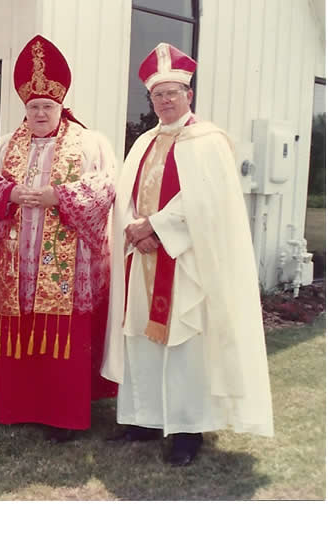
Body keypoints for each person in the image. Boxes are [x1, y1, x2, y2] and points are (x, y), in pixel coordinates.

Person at [102, 43, 274, 466]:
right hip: (143, 256)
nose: (164, 101)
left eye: (172, 93)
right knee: (140, 337)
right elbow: (125, 195)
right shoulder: (144, 142)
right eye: (157, 95)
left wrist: (154, 227)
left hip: (186, 260)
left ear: (188, 95)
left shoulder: (208, 141)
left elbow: (205, 200)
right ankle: (143, 419)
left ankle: (186, 430)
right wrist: (134, 229)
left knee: (183, 344)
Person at [0, 35, 118, 442]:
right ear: (24, 108)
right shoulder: (5, 145)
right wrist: (10, 193)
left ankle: (63, 416)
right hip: (17, 263)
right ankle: (18, 407)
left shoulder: (89, 143)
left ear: (61, 106)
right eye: (33, 107)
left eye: (47, 106)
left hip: (65, 266)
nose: (40, 113)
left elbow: (104, 187)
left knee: (63, 336)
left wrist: (58, 196)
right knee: (20, 327)